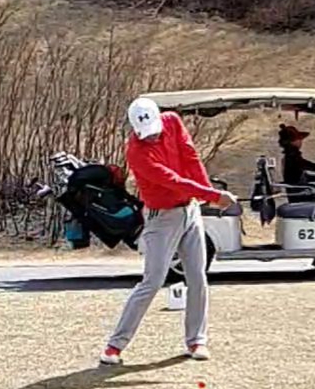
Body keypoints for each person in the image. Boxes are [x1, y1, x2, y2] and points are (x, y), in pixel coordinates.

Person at [99, 97, 238, 366]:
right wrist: (213, 195)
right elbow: (172, 181)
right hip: (161, 218)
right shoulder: (136, 152)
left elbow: (190, 158)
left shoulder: (172, 122)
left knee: (197, 276)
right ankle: (114, 346)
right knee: (152, 281)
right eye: (145, 134)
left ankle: (196, 340)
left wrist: (208, 194)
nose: (151, 137)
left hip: (190, 211)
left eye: (153, 131)